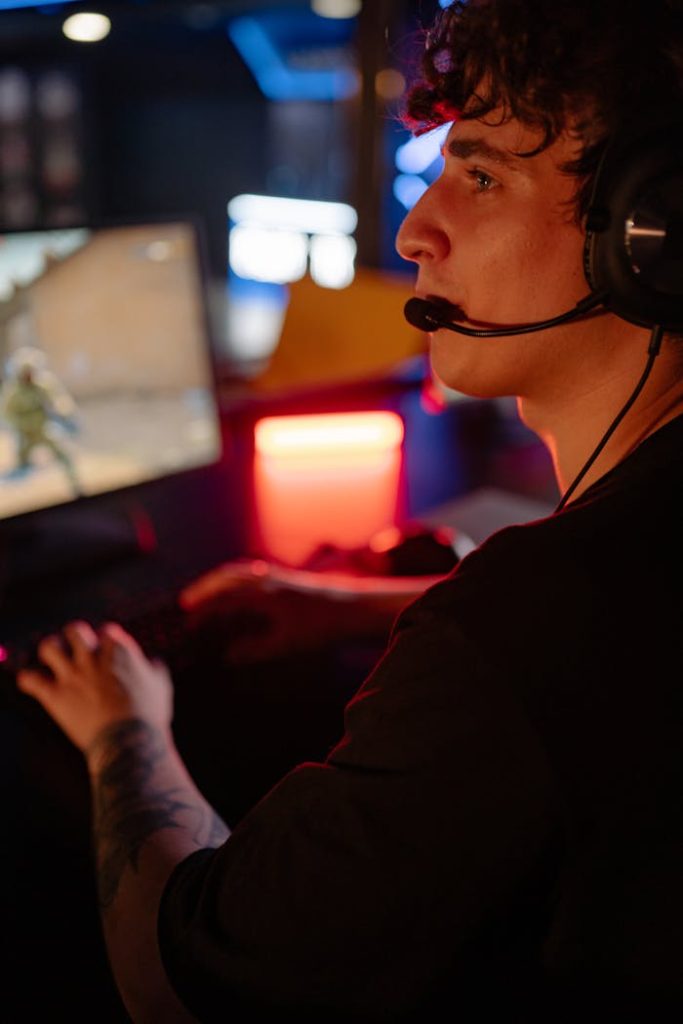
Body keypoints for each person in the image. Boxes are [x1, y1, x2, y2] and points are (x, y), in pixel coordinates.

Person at [16, 1, 683, 1020]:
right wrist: (346, 603)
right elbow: (588, 652)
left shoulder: (522, 617)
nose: (417, 230)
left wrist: (121, 724)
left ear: (652, 235)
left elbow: (181, 980)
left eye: (482, 174)